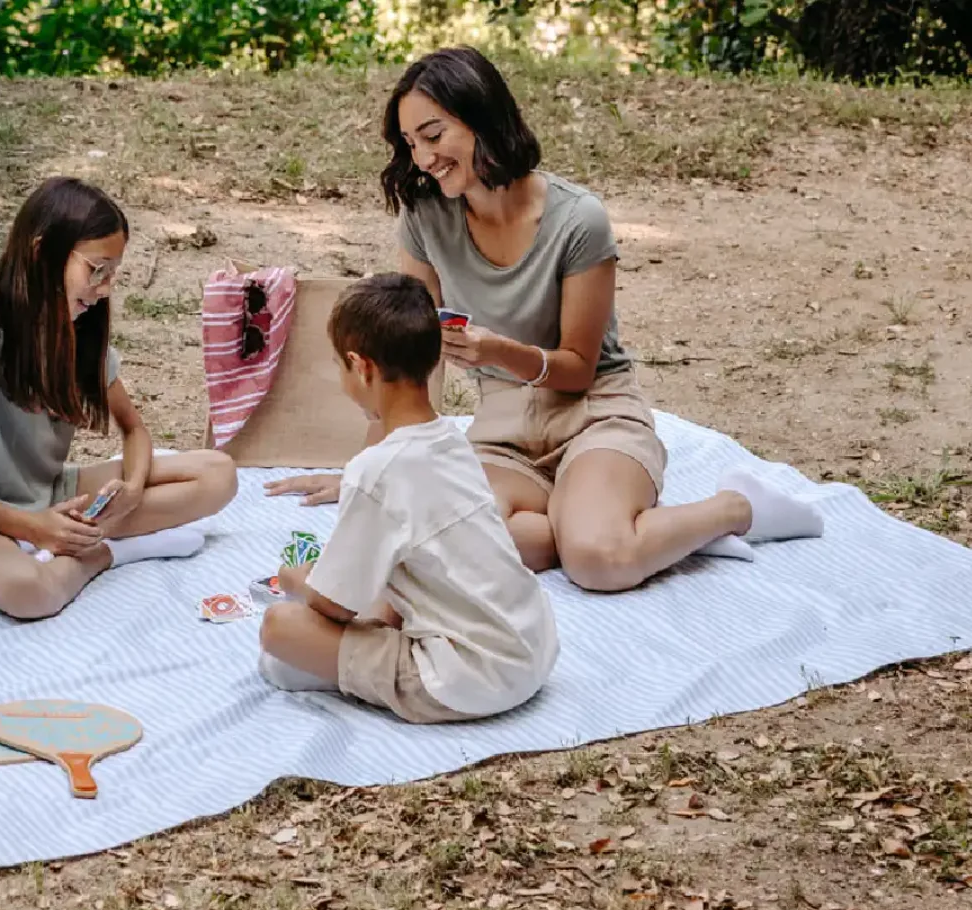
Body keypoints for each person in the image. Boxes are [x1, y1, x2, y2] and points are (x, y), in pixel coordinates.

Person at [266, 47, 822, 592]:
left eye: (434, 136)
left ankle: (732, 508)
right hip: (501, 434)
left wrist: (497, 352)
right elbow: (405, 361)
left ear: (483, 118)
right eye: (411, 143)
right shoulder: (424, 217)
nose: (423, 159)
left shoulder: (577, 219)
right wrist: (372, 468)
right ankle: (599, 520)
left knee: (598, 561)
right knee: (441, 545)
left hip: (594, 414)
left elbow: (579, 368)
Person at [0, 176, 237, 620]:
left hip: (47, 494)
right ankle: (102, 552)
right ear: (42, 253)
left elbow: (133, 428)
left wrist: (132, 489)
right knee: (29, 593)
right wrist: (31, 527)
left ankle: (81, 538)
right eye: (97, 269)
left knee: (219, 474)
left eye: (113, 273)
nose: (105, 287)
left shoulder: (74, 327)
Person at [258, 273, 558, 724]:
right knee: (383, 594)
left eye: (340, 366)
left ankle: (346, 670)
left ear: (361, 367)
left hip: (470, 681)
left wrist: (296, 579)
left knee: (279, 632)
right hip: (534, 648)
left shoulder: (374, 470)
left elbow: (334, 605)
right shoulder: (453, 441)